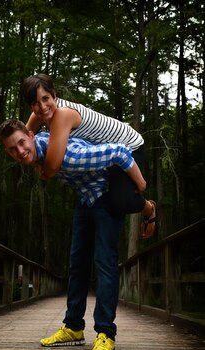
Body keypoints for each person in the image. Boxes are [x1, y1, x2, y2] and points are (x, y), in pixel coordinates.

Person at [0, 119, 148, 350]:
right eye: (13, 149)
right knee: (77, 264)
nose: (20, 151)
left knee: (105, 263)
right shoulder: (40, 152)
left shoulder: (69, 155)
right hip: (85, 198)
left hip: (106, 195)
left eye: (22, 143)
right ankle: (73, 328)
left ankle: (106, 335)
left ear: (31, 136)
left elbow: (119, 152)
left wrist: (140, 185)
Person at [22, 73, 156, 239]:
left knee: (119, 203)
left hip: (130, 146)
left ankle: (149, 208)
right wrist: (38, 165)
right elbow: (25, 141)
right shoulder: (39, 115)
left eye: (46, 98)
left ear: (54, 95)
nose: (42, 107)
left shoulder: (63, 114)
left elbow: (53, 167)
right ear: (30, 106)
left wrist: (43, 167)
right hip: (108, 154)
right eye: (35, 102)